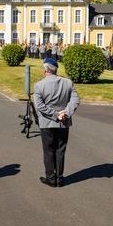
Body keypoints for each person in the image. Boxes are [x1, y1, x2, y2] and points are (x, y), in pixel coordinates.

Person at [33, 57, 80, 188]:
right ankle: (59, 178)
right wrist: (65, 113)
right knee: (60, 150)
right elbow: (75, 100)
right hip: (63, 122)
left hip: (48, 122)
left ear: (45, 70)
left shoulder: (39, 85)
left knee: (48, 150)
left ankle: (50, 177)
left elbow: (39, 106)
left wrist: (55, 115)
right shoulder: (67, 82)